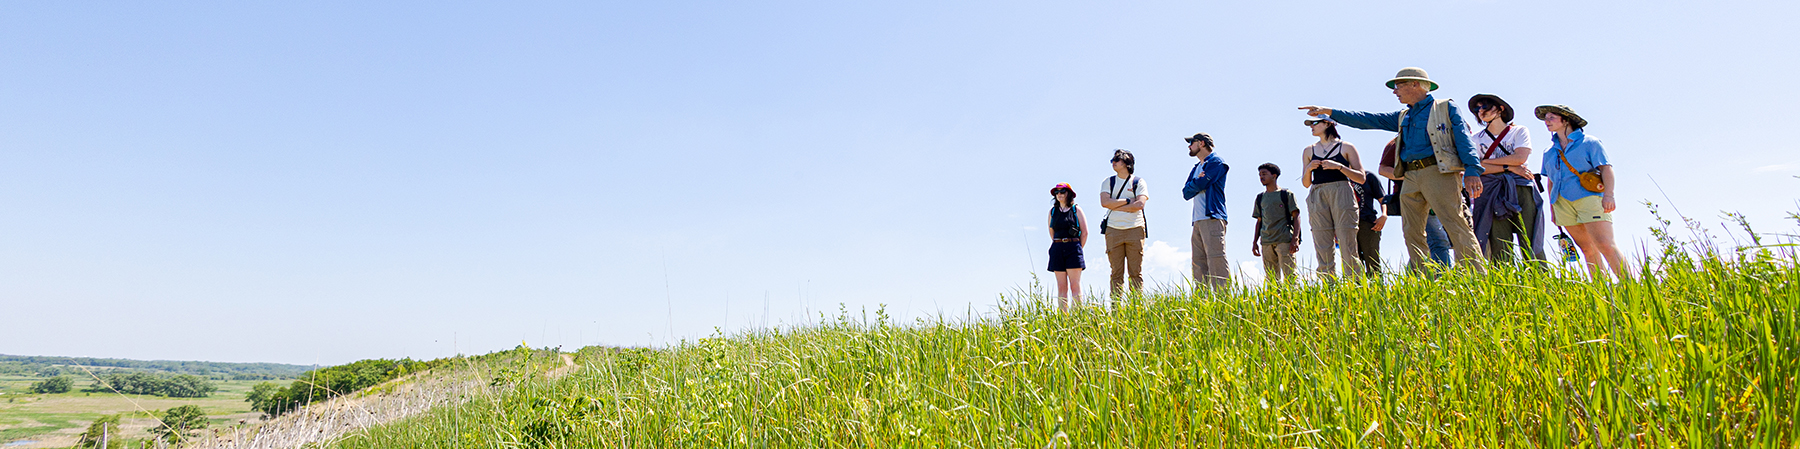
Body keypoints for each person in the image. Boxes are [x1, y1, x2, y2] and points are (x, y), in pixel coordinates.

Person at [1300, 67, 1486, 273]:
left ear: (1415, 84)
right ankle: (1424, 280)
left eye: (1398, 86)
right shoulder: (1402, 116)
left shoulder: (1445, 108)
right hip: (1409, 176)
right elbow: (1367, 120)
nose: (1394, 91)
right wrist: (1329, 112)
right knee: (1412, 231)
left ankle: (1476, 275)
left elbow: (1464, 140)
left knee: (1455, 223)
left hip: (1438, 172)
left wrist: (1472, 170)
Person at [1536, 105, 1626, 279]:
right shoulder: (1548, 151)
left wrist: (1609, 195)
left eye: (1552, 117)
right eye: (1545, 118)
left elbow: (1606, 168)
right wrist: (1553, 208)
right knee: (1587, 249)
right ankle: (1601, 293)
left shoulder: (1589, 142)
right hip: (1562, 203)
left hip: (1590, 198)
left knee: (1605, 244)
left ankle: (1631, 287)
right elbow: (1551, 181)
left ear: (1566, 119)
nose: (1547, 121)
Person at [1468, 94, 1546, 263]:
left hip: (1521, 187)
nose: (1481, 111)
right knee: (1498, 241)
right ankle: (1503, 283)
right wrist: (1508, 167)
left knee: (1531, 238)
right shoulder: (1475, 139)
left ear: (1500, 109)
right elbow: (1475, 168)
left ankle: (1541, 282)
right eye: (1477, 109)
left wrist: (1487, 163)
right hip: (1492, 192)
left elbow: (1520, 157)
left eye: (1485, 106)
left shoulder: (1519, 131)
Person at [1299, 117, 1365, 280]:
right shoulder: (1309, 150)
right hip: (1317, 192)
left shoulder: (1346, 147)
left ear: (1328, 123)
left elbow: (1361, 177)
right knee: (1322, 243)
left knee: (1347, 242)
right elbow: (1305, 183)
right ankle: (1329, 289)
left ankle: (1355, 287)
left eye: (1314, 123)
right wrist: (1308, 169)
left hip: (1341, 190)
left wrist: (1340, 167)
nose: (1311, 127)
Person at [1378, 137, 1453, 266]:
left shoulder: (1433, 138)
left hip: (1438, 196)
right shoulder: (1396, 143)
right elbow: (1383, 169)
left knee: (1423, 244)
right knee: (1438, 241)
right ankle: (1444, 280)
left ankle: (1414, 280)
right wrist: (1413, 177)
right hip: (1414, 198)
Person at [1181, 133, 1231, 288]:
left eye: (1191, 142)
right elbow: (1186, 193)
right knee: (1198, 262)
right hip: (1197, 220)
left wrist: (1198, 183)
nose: (1189, 146)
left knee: (1216, 259)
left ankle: (1224, 300)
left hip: (1212, 217)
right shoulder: (1196, 168)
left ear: (1201, 143)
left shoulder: (1216, 162)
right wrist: (1198, 181)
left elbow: (1203, 183)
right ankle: (1202, 302)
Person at [1100, 149, 1148, 301]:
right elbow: (1105, 203)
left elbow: (1140, 204)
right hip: (1113, 230)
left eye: (1117, 160)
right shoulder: (1108, 181)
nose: (1113, 162)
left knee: (1135, 272)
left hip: (1135, 229)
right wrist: (1128, 201)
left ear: (1127, 163)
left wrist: (1115, 205)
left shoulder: (1138, 182)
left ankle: (1136, 308)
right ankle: (1116, 310)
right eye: (1112, 160)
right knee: (1116, 273)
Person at [1250, 163, 1301, 282]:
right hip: (1266, 241)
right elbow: (1259, 221)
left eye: (1264, 174)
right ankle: (1275, 300)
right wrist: (1254, 242)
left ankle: (1293, 299)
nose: (1261, 177)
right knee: (1272, 279)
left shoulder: (1286, 194)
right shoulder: (1260, 198)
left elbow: (1296, 216)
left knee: (1290, 276)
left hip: (1284, 240)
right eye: (1259, 175)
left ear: (1274, 175)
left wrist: (1295, 239)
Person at [1046, 183, 1089, 311]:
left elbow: (1085, 232)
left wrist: (1077, 248)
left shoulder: (1076, 210)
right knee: (1061, 287)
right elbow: (1051, 232)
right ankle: (1063, 318)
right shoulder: (1052, 212)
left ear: (1068, 194)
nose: (1059, 194)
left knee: (1075, 285)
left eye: (1062, 191)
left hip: (1073, 247)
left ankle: (1077, 316)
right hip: (1057, 247)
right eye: (1057, 192)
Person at [1354, 175, 1387, 276]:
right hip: (1347, 225)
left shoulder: (1368, 177)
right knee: (1353, 262)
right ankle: (1357, 290)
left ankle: (1377, 289)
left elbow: (1383, 199)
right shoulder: (1340, 178)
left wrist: (1384, 215)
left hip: (1368, 223)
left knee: (1372, 261)